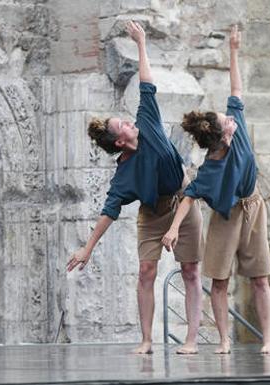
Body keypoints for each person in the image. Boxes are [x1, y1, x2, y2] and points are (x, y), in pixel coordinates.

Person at [67, 20, 204, 355]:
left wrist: (141, 43)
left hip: (184, 203)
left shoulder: (149, 124)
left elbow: (146, 84)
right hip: (152, 212)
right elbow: (109, 211)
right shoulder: (124, 173)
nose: (128, 121)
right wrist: (87, 248)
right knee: (145, 270)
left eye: (125, 120)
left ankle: (190, 340)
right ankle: (146, 340)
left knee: (190, 270)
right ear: (119, 140)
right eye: (121, 125)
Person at [161, 25, 270, 355]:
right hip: (225, 218)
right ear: (224, 138)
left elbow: (236, 87)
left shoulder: (235, 126)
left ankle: (267, 340)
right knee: (220, 281)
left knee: (260, 277)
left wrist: (234, 51)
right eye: (227, 121)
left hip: (253, 207)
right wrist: (171, 229)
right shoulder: (210, 169)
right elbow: (188, 197)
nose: (232, 118)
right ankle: (225, 340)